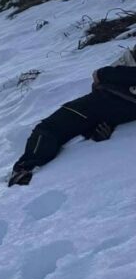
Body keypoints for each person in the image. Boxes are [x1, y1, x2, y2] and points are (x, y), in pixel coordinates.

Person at [9, 46, 136, 186]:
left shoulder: (124, 73)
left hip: (96, 106)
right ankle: (26, 169)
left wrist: (104, 74)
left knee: (48, 128)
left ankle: (23, 169)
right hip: (109, 110)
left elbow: (100, 75)